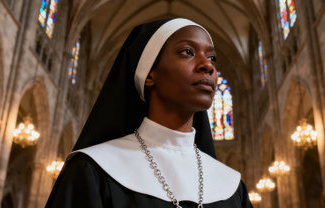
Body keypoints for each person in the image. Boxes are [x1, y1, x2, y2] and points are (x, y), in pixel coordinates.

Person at [45, 18, 253, 207]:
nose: (208, 65)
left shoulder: (232, 186)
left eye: (212, 58)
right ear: (149, 75)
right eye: (187, 52)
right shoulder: (92, 170)